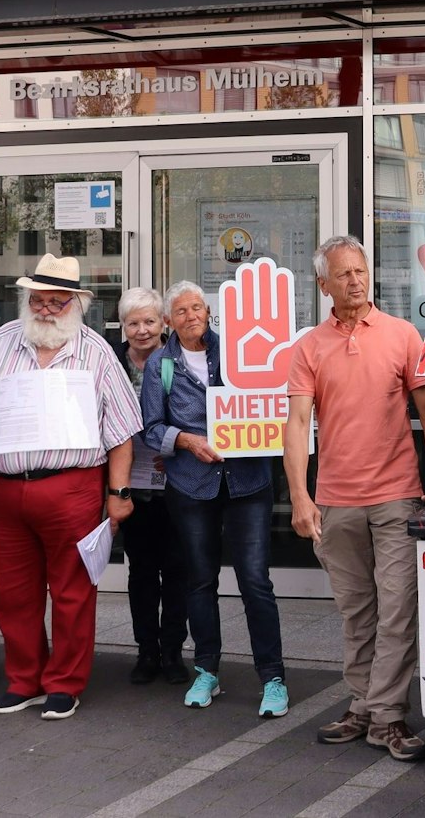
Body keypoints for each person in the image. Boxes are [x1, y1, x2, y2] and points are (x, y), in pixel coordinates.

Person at [0, 255, 137, 721]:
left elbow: (120, 433)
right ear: (26, 300)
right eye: (39, 299)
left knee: (73, 591)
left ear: (75, 303)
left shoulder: (95, 351)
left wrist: (117, 496)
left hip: (72, 488)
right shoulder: (0, 344)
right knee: (13, 593)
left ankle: (64, 683)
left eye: (58, 301)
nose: (47, 309)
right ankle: (24, 680)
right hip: (6, 491)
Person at [285, 235, 425, 761]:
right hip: (335, 500)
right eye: (343, 273)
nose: (355, 280)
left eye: (360, 270)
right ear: (322, 283)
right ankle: (363, 705)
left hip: (397, 495)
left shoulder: (402, 334)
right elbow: (298, 422)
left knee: (397, 610)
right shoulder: (309, 346)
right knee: (357, 612)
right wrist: (300, 498)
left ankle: (388, 718)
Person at [142, 280, 287, 717]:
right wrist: (185, 440)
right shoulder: (159, 366)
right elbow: (151, 428)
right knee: (199, 580)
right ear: (169, 321)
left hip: (247, 481)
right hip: (191, 485)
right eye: (181, 311)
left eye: (198, 308)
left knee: (255, 581)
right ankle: (206, 669)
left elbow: (268, 397)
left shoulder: (239, 351)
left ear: (209, 313)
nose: (191, 316)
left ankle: (274, 676)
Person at [114, 286, 189, 685]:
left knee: (177, 571)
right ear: (123, 326)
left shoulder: (178, 360)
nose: (142, 330)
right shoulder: (111, 363)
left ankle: (174, 651)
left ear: (163, 322)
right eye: (133, 323)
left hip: (175, 482)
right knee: (141, 571)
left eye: (149, 321)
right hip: (131, 485)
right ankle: (147, 651)